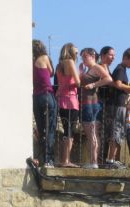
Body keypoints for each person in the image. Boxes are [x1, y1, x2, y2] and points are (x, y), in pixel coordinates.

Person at [105, 48, 130, 169]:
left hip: (120, 105)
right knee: (116, 131)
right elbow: (118, 84)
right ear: (125, 58)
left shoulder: (122, 69)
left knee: (118, 132)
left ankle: (113, 159)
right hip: (117, 105)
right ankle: (111, 159)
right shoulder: (120, 69)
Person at [79, 48, 112, 169]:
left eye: (84, 57)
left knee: (91, 133)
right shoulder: (88, 69)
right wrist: (81, 71)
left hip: (90, 104)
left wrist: (93, 85)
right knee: (92, 134)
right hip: (88, 104)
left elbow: (108, 79)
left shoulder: (96, 67)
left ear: (92, 56)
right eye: (82, 57)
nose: (82, 59)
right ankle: (94, 161)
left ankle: (94, 162)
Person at [32, 39, 57, 168]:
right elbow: (51, 72)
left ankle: (41, 158)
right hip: (47, 95)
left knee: (41, 129)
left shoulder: (31, 62)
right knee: (50, 128)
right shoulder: (44, 57)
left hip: (36, 97)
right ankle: (49, 160)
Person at [56, 43, 80, 168]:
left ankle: (63, 159)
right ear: (70, 52)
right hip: (71, 100)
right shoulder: (70, 62)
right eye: (76, 52)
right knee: (70, 131)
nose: (77, 55)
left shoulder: (59, 65)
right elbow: (78, 82)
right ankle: (66, 160)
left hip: (61, 100)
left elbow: (61, 83)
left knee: (66, 130)